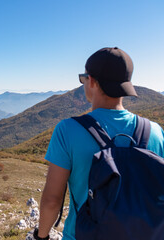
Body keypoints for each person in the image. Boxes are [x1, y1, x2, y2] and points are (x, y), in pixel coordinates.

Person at [34, 47, 164, 240]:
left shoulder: (67, 130)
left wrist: (41, 236)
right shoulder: (155, 132)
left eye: (83, 78)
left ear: (92, 81)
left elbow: (52, 201)